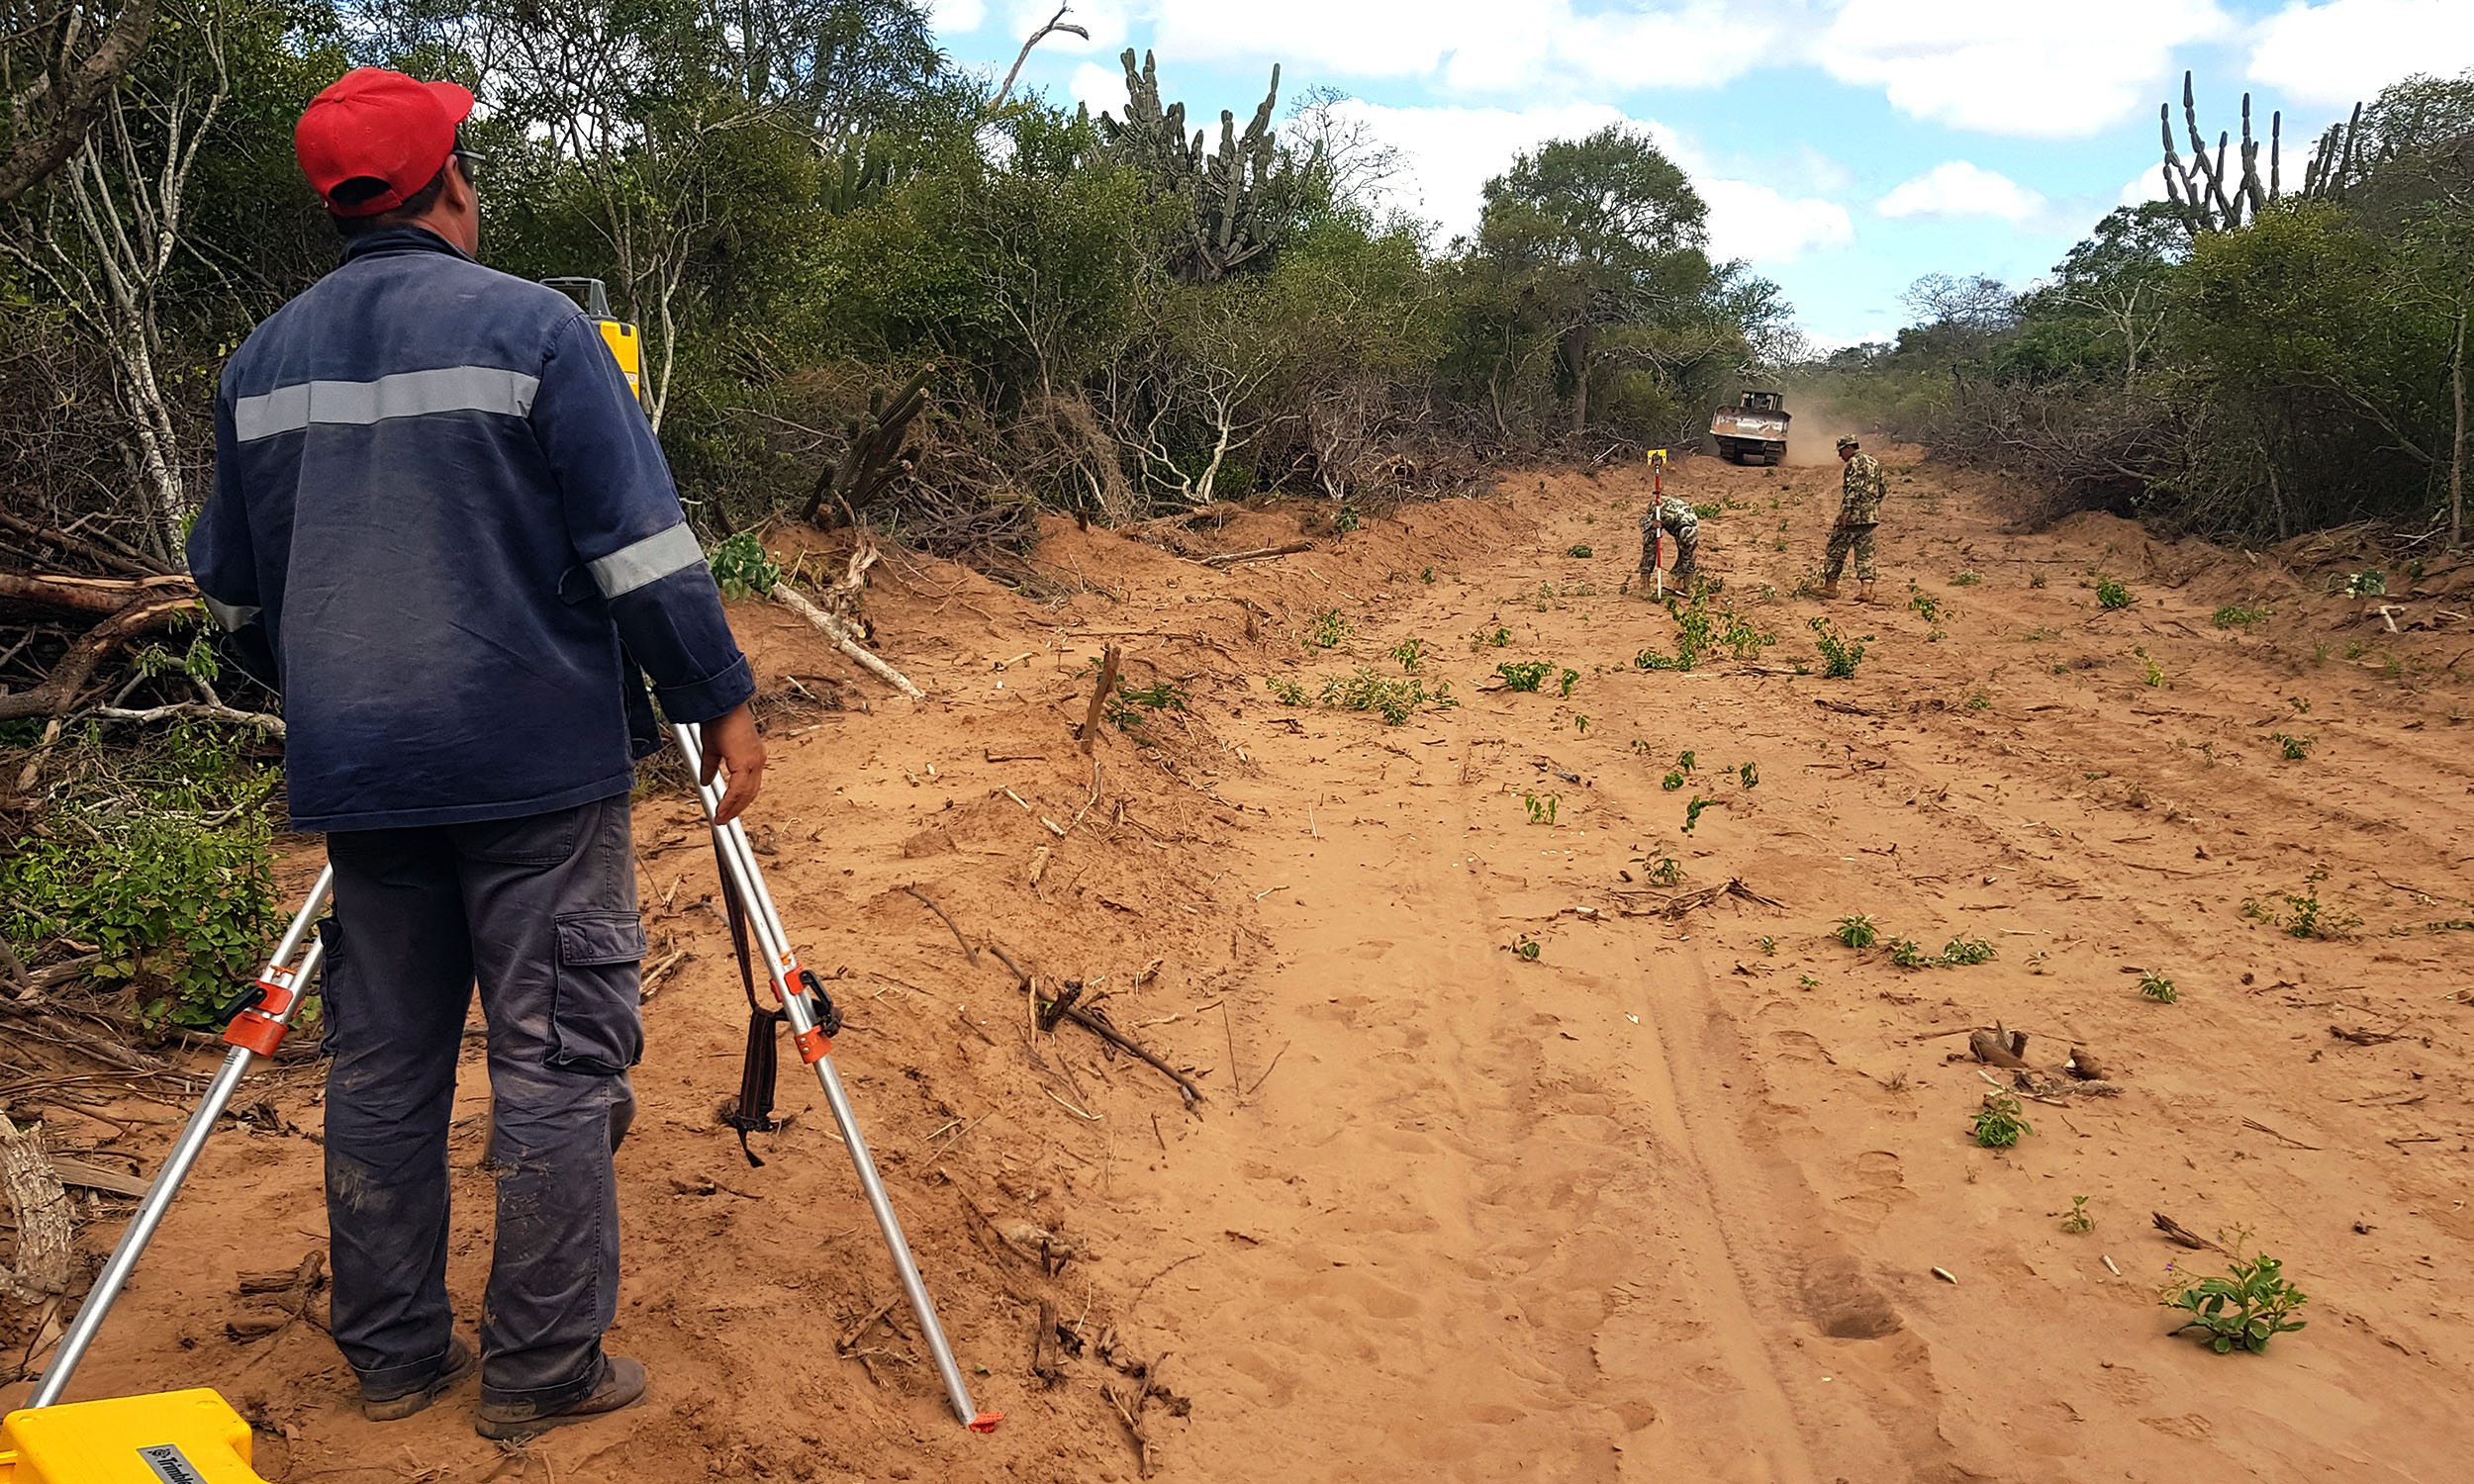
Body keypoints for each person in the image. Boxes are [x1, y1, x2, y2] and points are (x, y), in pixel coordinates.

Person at [187, 67, 765, 1439]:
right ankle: (541, 1371)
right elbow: (642, 551)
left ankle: (391, 1358)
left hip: (365, 778)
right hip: (532, 774)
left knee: (383, 1067)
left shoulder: (258, 365)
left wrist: (323, 691)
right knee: (558, 1064)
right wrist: (716, 697)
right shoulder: (538, 330)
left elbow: (228, 596)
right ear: (451, 176)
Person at [1822, 435, 1887, 602]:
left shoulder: (1854, 463)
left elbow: (1853, 489)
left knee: (1835, 549)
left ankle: (1830, 587)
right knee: (1865, 553)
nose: (1840, 456)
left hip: (1853, 517)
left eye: (1841, 451)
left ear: (1848, 449)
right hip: (1870, 516)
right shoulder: (1874, 462)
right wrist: (1872, 506)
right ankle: (1866, 590)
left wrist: (1846, 512)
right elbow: (1882, 488)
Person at [1637, 494, 1699, 594]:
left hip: (1679, 517)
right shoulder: (1664, 513)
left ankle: (1687, 584)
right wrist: (1653, 525)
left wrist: (1678, 575)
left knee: (1689, 554)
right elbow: (1643, 521)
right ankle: (1644, 584)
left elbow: (1688, 552)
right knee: (1650, 543)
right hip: (1660, 512)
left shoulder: (1693, 525)